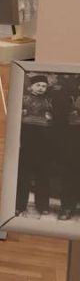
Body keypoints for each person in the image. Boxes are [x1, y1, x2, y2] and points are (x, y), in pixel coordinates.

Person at [16, 76, 53, 217]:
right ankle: (19, 205)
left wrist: (50, 118)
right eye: (38, 85)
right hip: (26, 140)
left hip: (43, 142)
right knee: (23, 173)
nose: (41, 88)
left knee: (42, 173)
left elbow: (52, 118)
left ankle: (43, 206)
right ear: (31, 86)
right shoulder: (23, 99)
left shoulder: (49, 101)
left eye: (44, 86)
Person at [59, 78, 80, 221]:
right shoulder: (69, 98)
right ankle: (67, 207)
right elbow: (60, 118)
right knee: (70, 174)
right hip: (72, 141)